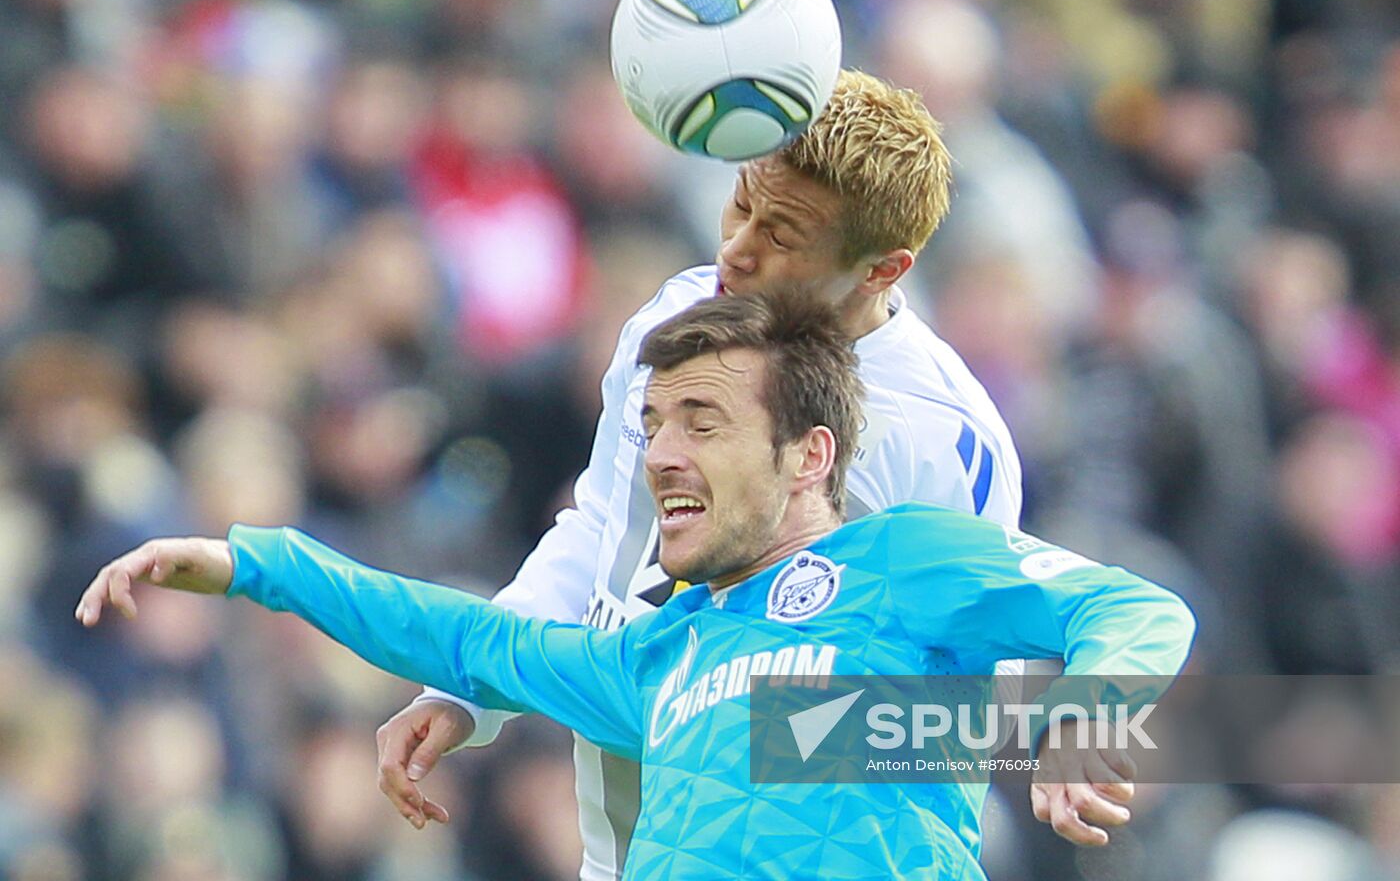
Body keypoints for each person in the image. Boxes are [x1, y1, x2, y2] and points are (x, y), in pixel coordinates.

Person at [76, 290, 1196, 880]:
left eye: (699, 422)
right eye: (652, 425)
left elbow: (1134, 609)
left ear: (807, 456)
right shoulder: (659, 657)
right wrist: (258, 565)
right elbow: (471, 645)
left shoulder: (902, 561)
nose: (658, 454)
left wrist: (1083, 716)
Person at [376, 69, 1030, 880]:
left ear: (882, 270)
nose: (736, 248)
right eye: (741, 201)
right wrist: (470, 691)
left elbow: (956, 720)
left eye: (782, 234)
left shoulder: (945, 441)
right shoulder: (672, 319)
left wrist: (738, 717)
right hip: (625, 844)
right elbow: (602, 535)